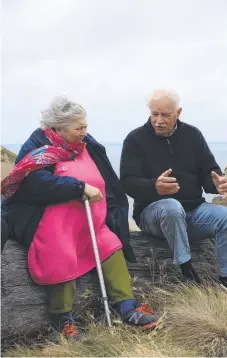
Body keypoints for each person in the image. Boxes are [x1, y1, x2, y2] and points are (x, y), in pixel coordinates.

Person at [1, 96, 160, 339]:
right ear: (58, 128)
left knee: (111, 246)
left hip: (90, 222)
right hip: (52, 223)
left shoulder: (87, 144)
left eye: (85, 125)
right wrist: (79, 187)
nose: (84, 132)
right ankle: (62, 319)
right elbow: (33, 184)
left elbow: (107, 176)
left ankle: (127, 308)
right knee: (61, 254)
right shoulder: (37, 146)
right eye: (78, 128)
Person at [120, 88, 227, 286]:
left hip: (193, 212)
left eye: (165, 115)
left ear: (178, 113)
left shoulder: (193, 135)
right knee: (171, 207)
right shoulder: (135, 140)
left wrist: (217, 183)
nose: (159, 120)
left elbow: (208, 172)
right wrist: (154, 186)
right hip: (153, 216)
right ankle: (185, 268)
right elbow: (127, 182)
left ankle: (224, 278)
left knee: (225, 217)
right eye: (154, 114)